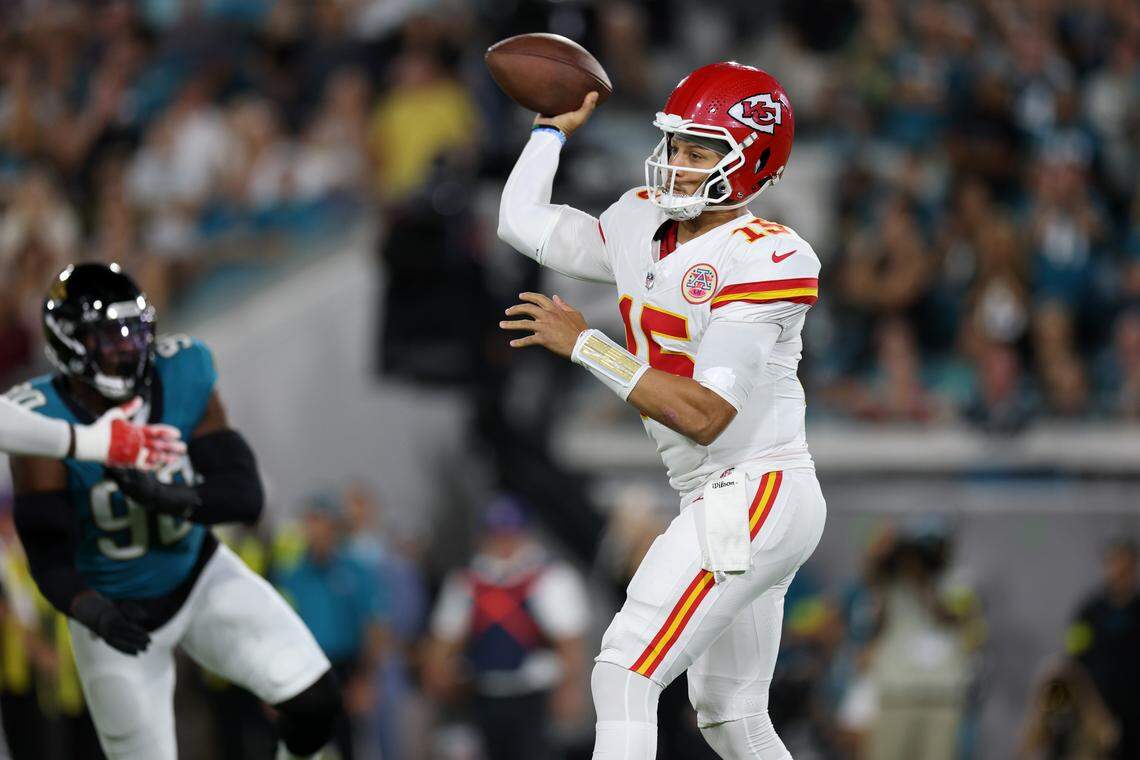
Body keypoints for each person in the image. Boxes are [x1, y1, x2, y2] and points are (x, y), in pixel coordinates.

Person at [497, 62, 827, 759]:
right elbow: (522, 221)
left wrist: (586, 344)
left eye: (700, 151)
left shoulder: (765, 256)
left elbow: (706, 415)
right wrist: (548, 131)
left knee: (623, 668)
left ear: (752, 161)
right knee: (730, 715)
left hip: (756, 486)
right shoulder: (640, 218)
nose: (677, 165)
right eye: (676, 145)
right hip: (722, 493)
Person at [5, 263, 343, 760]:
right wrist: (90, 610)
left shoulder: (182, 370)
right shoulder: (38, 419)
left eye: (135, 332)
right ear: (72, 345)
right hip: (116, 607)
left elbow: (244, 494)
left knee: (315, 702)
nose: (128, 348)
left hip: (198, 575)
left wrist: (170, 498)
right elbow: (47, 553)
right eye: (111, 338)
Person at [423, 495, 590, 760]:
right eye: (496, 534)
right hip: (481, 692)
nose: (503, 542)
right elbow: (443, 639)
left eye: (509, 533)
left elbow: (569, 640)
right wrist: (440, 677)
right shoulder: (467, 582)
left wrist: (569, 690)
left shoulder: (549, 578)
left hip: (533, 694)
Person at [275, 492, 388, 760]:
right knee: (303, 749)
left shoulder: (356, 571)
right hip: (303, 673)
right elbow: (278, 632)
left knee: (347, 747)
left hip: (345, 670)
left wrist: (366, 680)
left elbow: (374, 628)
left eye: (324, 524)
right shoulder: (291, 575)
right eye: (313, 524)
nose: (319, 532)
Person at [1069, 538, 1140, 759]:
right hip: (1097, 707)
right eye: (1114, 563)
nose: (1119, 570)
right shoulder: (1089, 610)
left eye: (1126, 564)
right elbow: (1074, 658)